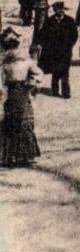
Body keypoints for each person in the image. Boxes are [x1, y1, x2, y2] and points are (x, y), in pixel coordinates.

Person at [2, 28, 41, 167]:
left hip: (18, 93)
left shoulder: (25, 62)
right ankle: (17, 155)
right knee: (17, 123)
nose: (11, 51)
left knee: (18, 123)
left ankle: (17, 155)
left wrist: (31, 83)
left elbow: (38, 74)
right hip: (14, 93)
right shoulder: (5, 63)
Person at [36, 1, 79, 99]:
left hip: (65, 51)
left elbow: (74, 35)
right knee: (55, 71)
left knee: (65, 72)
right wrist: (40, 43)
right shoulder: (49, 21)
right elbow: (43, 33)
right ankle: (55, 90)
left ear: (63, 10)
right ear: (55, 11)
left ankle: (66, 93)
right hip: (53, 51)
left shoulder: (69, 21)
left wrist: (70, 44)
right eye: (57, 10)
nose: (59, 12)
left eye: (61, 9)